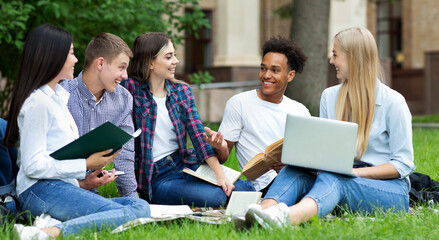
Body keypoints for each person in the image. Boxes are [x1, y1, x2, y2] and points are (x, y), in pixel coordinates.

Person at [240, 27, 416, 229]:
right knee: (293, 170)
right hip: (339, 177)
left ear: (354, 58)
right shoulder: (330, 97)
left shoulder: (393, 102)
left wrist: (352, 173)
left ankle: (286, 218)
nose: (331, 61)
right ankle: (261, 213)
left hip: (390, 190)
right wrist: (304, 159)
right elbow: (327, 156)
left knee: (336, 178)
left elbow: (403, 165)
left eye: (335, 54)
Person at [4, 24, 150, 239]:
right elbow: (32, 166)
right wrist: (86, 164)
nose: (75, 59)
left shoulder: (57, 99)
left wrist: (82, 182)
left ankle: (52, 221)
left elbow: (58, 158)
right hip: (39, 191)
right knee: (124, 214)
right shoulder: (38, 103)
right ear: (54, 56)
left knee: (138, 206)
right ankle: (46, 232)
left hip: (59, 186)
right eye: (71, 53)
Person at [121, 32, 254, 207]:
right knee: (216, 198)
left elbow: (198, 136)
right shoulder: (130, 89)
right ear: (149, 62)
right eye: (169, 57)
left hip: (183, 163)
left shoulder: (181, 91)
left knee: (247, 188)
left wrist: (220, 176)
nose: (175, 61)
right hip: (157, 178)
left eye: (174, 55)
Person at [203, 36, 311, 194]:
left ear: (290, 75)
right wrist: (220, 146)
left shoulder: (300, 111)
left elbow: (308, 158)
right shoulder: (239, 103)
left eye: (274, 70)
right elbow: (223, 157)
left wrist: (290, 166)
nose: (266, 75)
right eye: (263, 68)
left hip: (294, 179)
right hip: (260, 186)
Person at [60, 32, 138, 198]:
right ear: (101, 63)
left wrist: (131, 197)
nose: (125, 76)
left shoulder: (124, 99)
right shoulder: (61, 95)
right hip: (63, 187)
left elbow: (125, 154)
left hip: (93, 193)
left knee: (137, 207)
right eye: (121, 67)